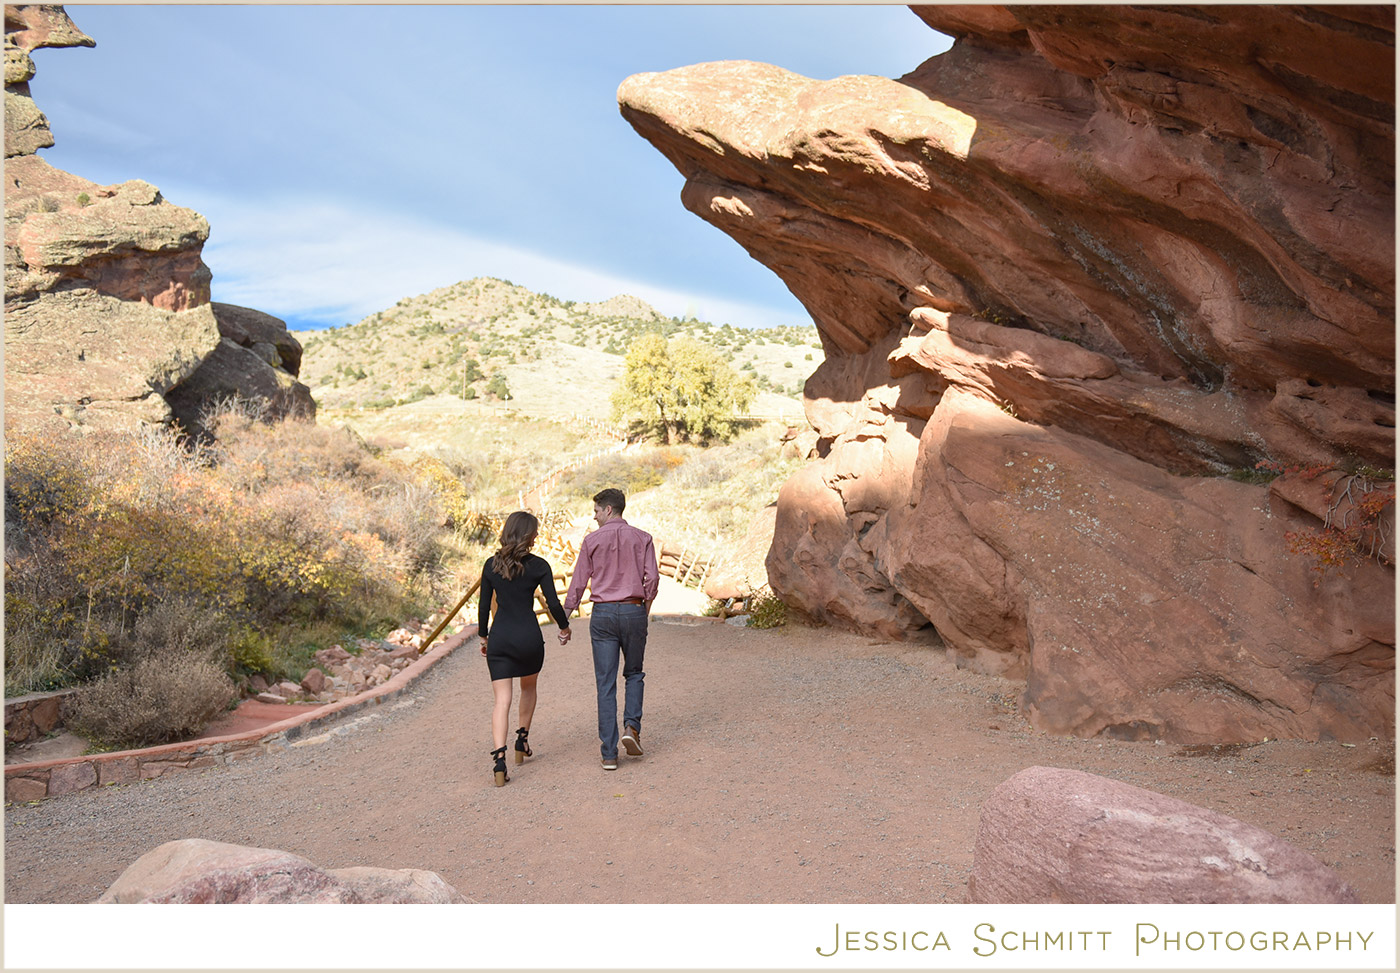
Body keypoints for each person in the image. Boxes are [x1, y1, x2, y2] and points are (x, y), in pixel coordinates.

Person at [563, 488, 659, 771]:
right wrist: (645, 610)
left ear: (608, 509)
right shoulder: (643, 538)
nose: (593, 518)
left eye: (595, 511)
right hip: (633, 610)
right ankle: (631, 728)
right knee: (634, 673)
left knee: (605, 683)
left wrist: (564, 618)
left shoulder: (591, 541)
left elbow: (578, 583)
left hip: (603, 614)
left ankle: (609, 754)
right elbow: (651, 579)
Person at [479, 510, 571, 786]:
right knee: (528, 687)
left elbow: (484, 606)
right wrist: (564, 627)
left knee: (501, 701)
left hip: (501, 638)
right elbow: (553, 604)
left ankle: (499, 762)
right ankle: (522, 742)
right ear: (530, 536)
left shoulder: (490, 565)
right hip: (529, 639)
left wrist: (483, 637)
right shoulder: (540, 565)